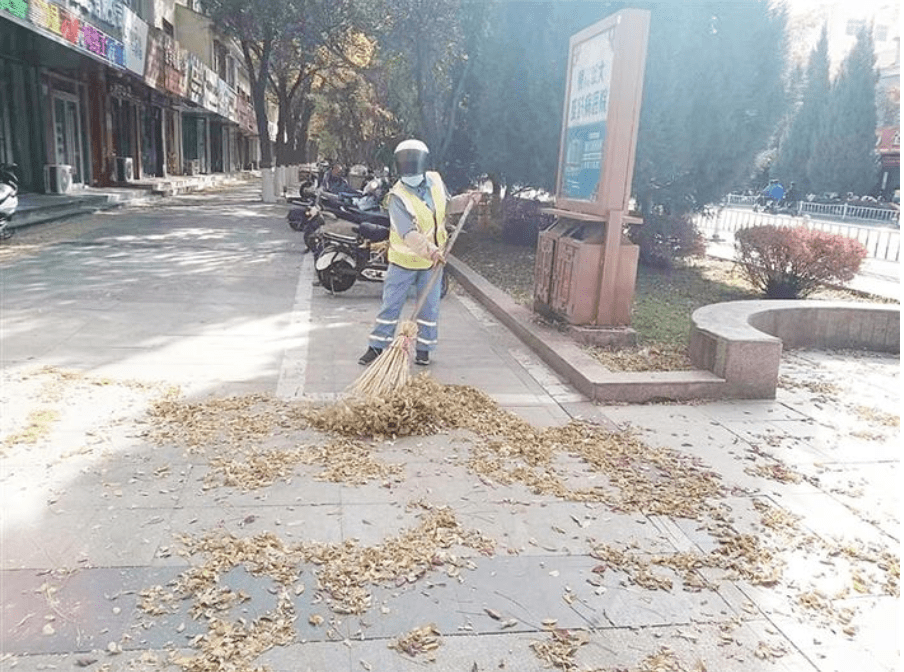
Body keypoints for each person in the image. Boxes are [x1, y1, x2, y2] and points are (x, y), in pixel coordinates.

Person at [358, 139, 479, 367]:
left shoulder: (434, 180)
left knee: (429, 307)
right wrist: (431, 250)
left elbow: (447, 206)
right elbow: (409, 234)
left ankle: (424, 349)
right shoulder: (397, 197)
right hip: (404, 262)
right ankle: (377, 347)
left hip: (432, 264)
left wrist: (467, 200)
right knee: (391, 305)